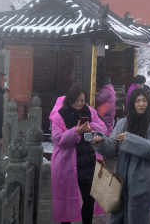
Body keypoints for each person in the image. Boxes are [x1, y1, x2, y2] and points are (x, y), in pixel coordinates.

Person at [90, 88, 150, 224]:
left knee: (138, 218)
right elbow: (113, 148)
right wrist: (101, 141)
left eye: (144, 101)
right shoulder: (123, 123)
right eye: (137, 101)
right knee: (118, 218)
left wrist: (130, 139)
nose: (141, 104)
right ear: (131, 104)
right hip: (121, 181)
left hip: (143, 183)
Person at [50, 84, 107, 224]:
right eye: (77, 100)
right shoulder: (59, 116)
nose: (80, 103)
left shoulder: (90, 112)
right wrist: (76, 131)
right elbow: (58, 139)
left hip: (89, 161)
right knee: (66, 200)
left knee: (89, 199)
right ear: (70, 99)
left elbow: (104, 129)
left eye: (82, 100)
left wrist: (93, 128)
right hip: (68, 165)